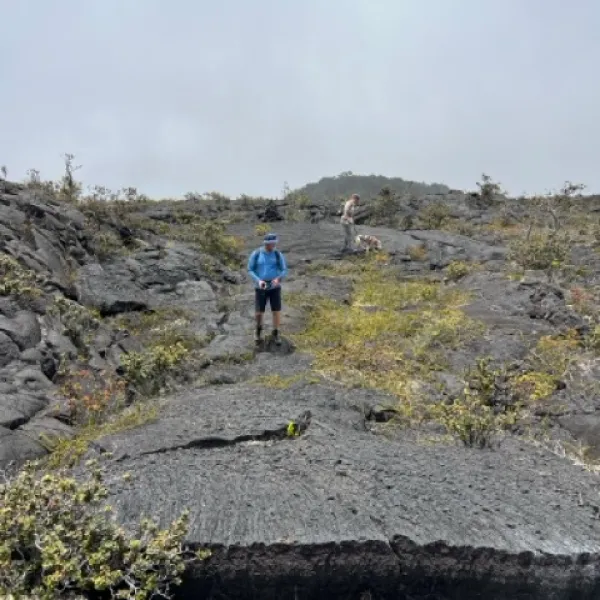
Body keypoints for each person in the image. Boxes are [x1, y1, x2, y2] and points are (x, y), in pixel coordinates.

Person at [247, 233, 288, 345]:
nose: (272, 246)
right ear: (265, 243)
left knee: (276, 311)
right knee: (259, 312)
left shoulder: (277, 254)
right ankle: (258, 331)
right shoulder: (256, 254)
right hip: (261, 287)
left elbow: (284, 269)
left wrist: (278, 279)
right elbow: (250, 269)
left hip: (274, 287)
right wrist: (259, 281)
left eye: (274, 243)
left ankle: (275, 333)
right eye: (270, 244)